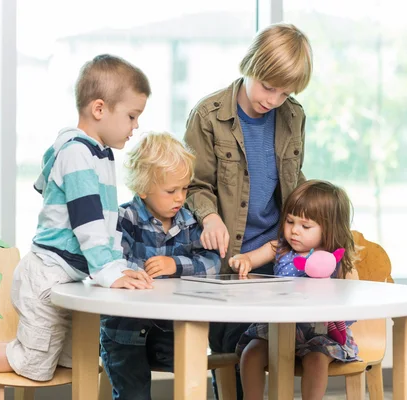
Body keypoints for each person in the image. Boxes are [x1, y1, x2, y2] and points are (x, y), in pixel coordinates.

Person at [0, 54, 154, 400]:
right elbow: (87, 222)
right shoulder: (77, 154)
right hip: (46, 275)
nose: (135, 127)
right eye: (132, 116)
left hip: (67, 276)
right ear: (99, 109)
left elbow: (60, 195)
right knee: (34, 363)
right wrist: (109, 270)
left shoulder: (96, 154)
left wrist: (115, 265)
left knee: (78, 359)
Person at [183, 23, 314, 398]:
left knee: (291, 349)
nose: (273, 100)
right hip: (229, 263)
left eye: (284, 92)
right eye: (267, 87)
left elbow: (294, 183)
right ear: (250, 64)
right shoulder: (208, 115)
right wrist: (208, 216)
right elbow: (192, 184)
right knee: (237, 355)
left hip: (278, 258)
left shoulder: (293, 116)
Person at [100, 132, 221, 399]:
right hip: (124, 333)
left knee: (193, 381)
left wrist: (175, 265)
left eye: (184, 188)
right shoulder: (124, 219)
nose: (180, 198)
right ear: (143, 188)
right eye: (171, 191)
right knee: (134, 394)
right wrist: (139, 270)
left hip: (171, 329)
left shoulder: (189, 222)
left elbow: (213, 264)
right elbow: (111, 261)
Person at [230, 180, 360, 400]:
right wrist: (242, 261)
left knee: (316, 362)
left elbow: (354, 291)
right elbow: (249, 259)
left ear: (330, 228)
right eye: (290, 221)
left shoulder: (336, 260)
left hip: (320, 334)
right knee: (251, 354)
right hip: (277, 329)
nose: (294, 232)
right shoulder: (280, 249)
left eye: (305, 226)